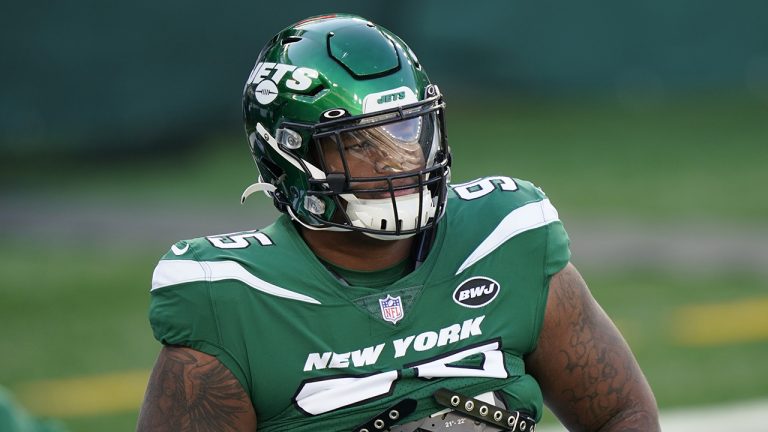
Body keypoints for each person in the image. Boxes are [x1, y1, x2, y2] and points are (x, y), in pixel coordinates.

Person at [137, 13, 660, 432]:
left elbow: (622, 415)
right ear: (287, 154)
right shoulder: (230, 296)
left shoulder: (506, 235)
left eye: (409, 127)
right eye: (358, 143)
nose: (400, 160)